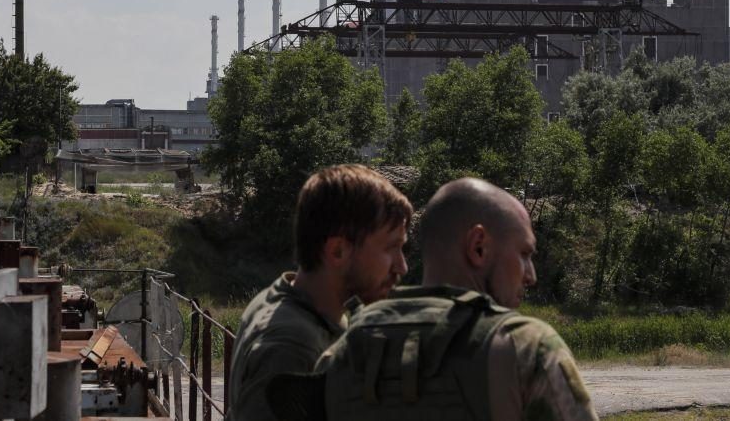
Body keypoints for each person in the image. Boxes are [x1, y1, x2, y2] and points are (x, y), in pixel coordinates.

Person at [311, 176, 598, 421]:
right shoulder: (524, 347)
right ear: (479, 247)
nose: (531, 275)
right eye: (524, 255)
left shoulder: (341, 351)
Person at [226, 164, 412, 421]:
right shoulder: (292, 348)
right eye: (391, 247)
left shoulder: (290, 300)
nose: (402, 266)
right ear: (337, 251)